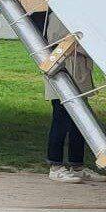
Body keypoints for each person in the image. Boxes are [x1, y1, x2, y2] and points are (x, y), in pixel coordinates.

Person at [31, 10, 95, 182]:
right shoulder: (59, 14)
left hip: (78, 71)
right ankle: (56, 165)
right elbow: (56, 41)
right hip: (63, 71)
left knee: (80, 121)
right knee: (61, 119)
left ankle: (77, 165)